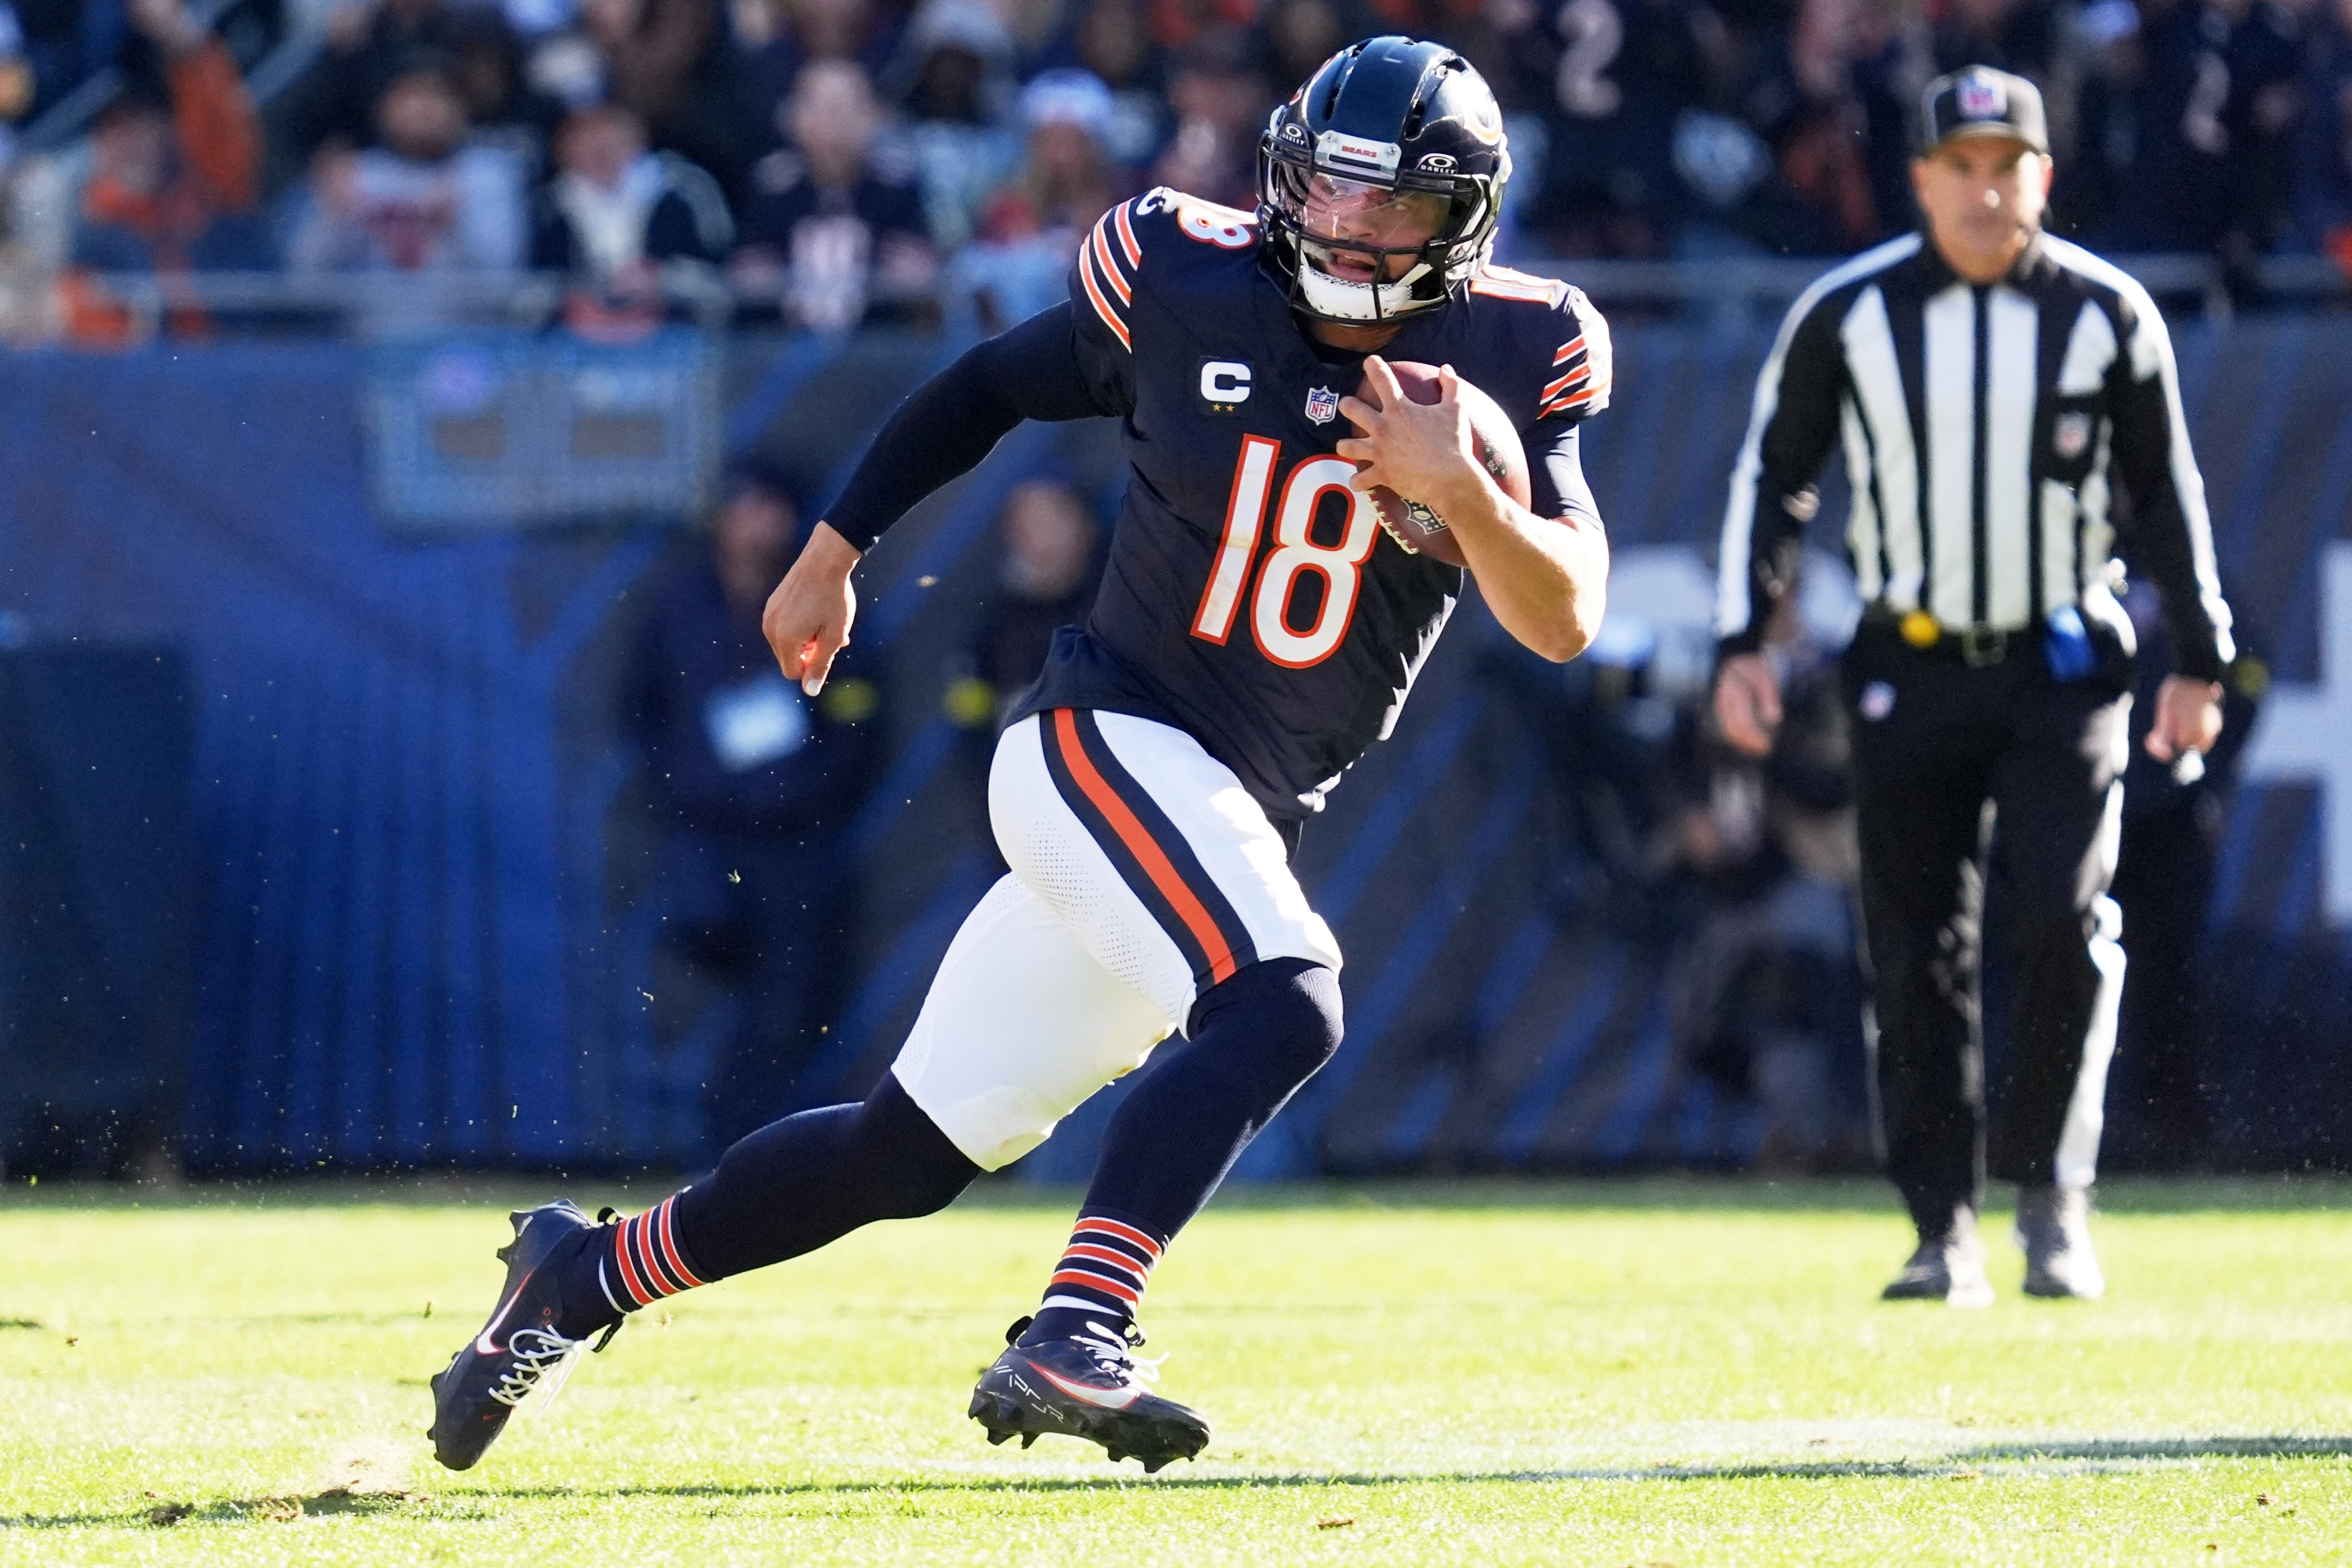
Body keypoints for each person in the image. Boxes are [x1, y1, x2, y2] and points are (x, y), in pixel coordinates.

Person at [428, 35, 1611, 1475]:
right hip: (1102, 738)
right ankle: (1079, 1323)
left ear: (1463, 220)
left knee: (902, 1152)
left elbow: (1560, 614)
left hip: (1228, 801)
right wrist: (829, 551)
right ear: (1284, 178)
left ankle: (579, 1275)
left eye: (1395, 204)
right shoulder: (1185, 275)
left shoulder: (1518, 345)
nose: (1353, 225)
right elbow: (983, 386)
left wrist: (1466, 497)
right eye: (1330, 187)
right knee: (1286, 997)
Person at [1711, 66, 2235, 1306]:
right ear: (1923, 179)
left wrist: (2200, 657)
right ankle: (1940, 1225)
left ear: (2042, 178)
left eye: (2010, 168)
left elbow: (2167, 492)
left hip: (2062, 657)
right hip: (1907, 656)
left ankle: (2052, 1194)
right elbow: (1775, 474)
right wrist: (1746, 639)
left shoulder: (2108, 315)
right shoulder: (1850, 314)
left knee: (2060, 916)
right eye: (1964, 167)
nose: (1988, 191)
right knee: (1914, 949)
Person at [623, 460, 885, 1150]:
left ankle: (764, 1151)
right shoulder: (679, 605)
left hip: (796, 841)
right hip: (705, 839)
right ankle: (719, 1145)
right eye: (738, 508)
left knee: (789, 1003)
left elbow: (857, 712)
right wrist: (683, 784)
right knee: (707, 963)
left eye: (765, 509)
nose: (750, 525)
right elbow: (640, 709)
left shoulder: (822, 600)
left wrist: (806, 790)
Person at [287, 60, 526, 273]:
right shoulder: (357, 174)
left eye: (436, 95)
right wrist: (337, 217)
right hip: (371, 321)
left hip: (464, 321)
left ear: (459, 107)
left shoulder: (487, 173)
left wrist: (454, 227)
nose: (424, 108)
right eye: (411, 96)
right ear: (384, 109)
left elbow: (505, 274)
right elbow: (306, 275)